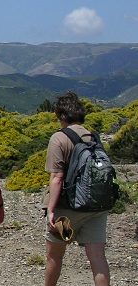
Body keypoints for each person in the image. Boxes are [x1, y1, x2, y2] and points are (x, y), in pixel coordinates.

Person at [44, 92, 110, 286]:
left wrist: (50, 210)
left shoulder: (59, 138)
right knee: (97, 258)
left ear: (62, 116)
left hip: (67, 210)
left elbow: (57, 177)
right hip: (96, 206)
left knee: (55, 256)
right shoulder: (94, 138)